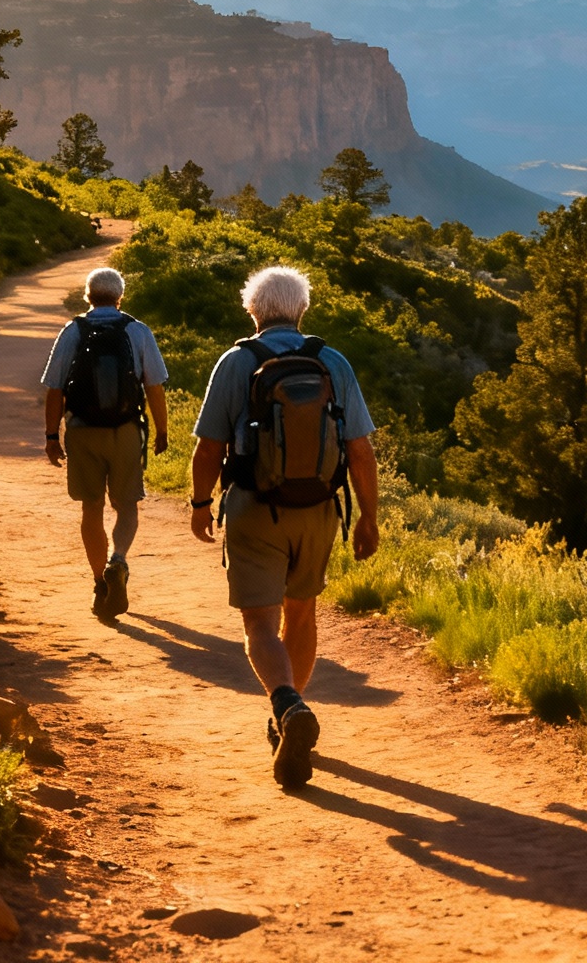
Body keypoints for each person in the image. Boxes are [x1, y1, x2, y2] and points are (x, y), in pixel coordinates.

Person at [188, 265, 380, 789]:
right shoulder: (332, 362)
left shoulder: (236, 362)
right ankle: (289, 714)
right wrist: (368, 517)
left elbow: (209, 447)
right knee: (303, 612)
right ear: (302, 311)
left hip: (254, 509)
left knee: (258, 626)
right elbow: (360, 451)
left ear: (253, 311)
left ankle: (286, 705)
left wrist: (201, 503)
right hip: (319, 510)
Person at [41, 266, 169, 623]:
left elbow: (54, 389)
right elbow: (154, 386)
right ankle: (119, 560)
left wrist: (52, 436)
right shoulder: (137, 331)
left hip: (82, 431)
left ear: (88, 296)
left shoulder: (73, 330)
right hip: (126, 429)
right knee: (127, 505)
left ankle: (100, 583)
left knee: (91, 508)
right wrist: (161, 431)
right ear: (120, 296)